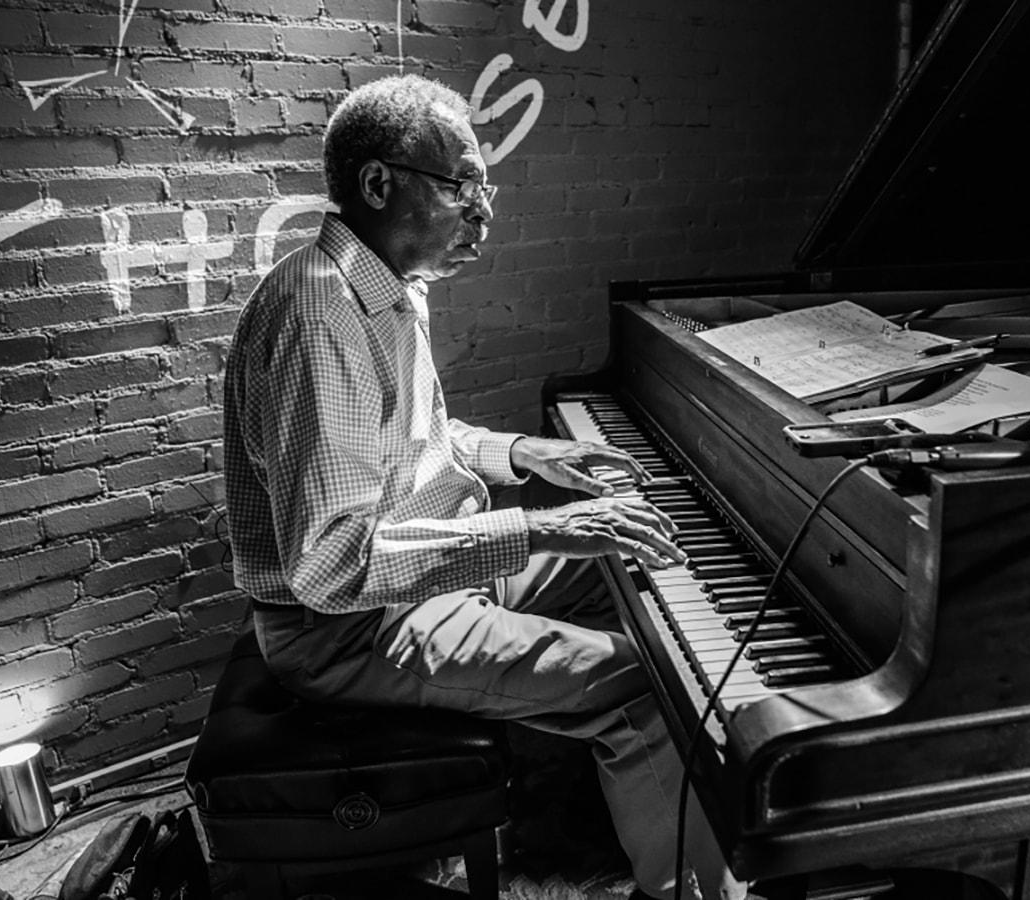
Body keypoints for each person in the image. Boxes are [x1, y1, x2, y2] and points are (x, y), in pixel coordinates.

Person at [222, 73, 746, 900]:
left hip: (424, 575)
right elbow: (328, 566)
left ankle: (668, 809)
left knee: (650, 565)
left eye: (483, 187)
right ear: (377, 183)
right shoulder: (320, 316)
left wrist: (530, 456)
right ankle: (689, 887)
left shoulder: (384, 288)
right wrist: (542, 530)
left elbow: (410, 442)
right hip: (351, 628)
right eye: (463, 185)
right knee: (652, 682)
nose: (484, 211)